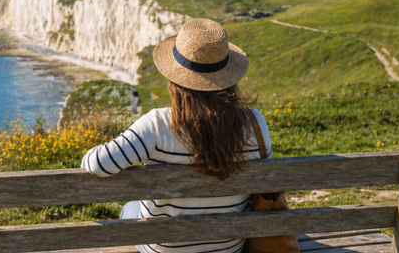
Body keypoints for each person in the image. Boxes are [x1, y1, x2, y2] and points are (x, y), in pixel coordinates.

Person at [81, 18, 270, 253]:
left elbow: (98, 164)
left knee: (130, 208)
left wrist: (89, 153)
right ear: (228, 79)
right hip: (229, 246)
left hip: (165, 248)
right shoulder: (255, 123)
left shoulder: (156, 125)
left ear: (175, 80)